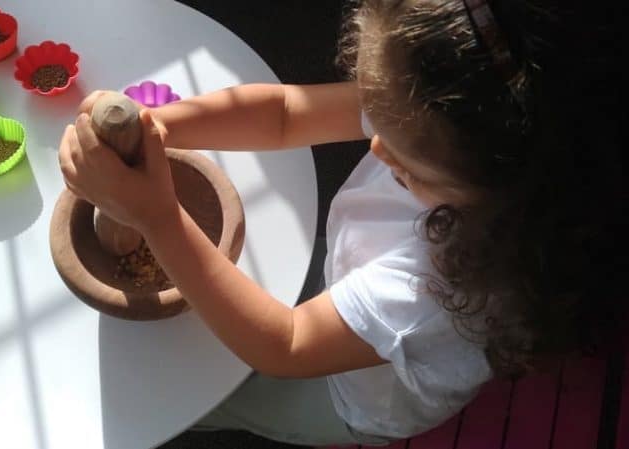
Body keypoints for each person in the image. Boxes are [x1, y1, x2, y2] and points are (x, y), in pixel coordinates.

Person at [58, 0, 623, 445]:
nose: (375, 144)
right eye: (375, 115)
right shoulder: (443, 103)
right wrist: (159, 126)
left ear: (496, 190)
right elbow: (284, 116)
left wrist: (157, 216)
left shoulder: (442, 291)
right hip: (355, 284)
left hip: (345, 393)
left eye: (403, 160)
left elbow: (288, 344)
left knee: (181, 392)